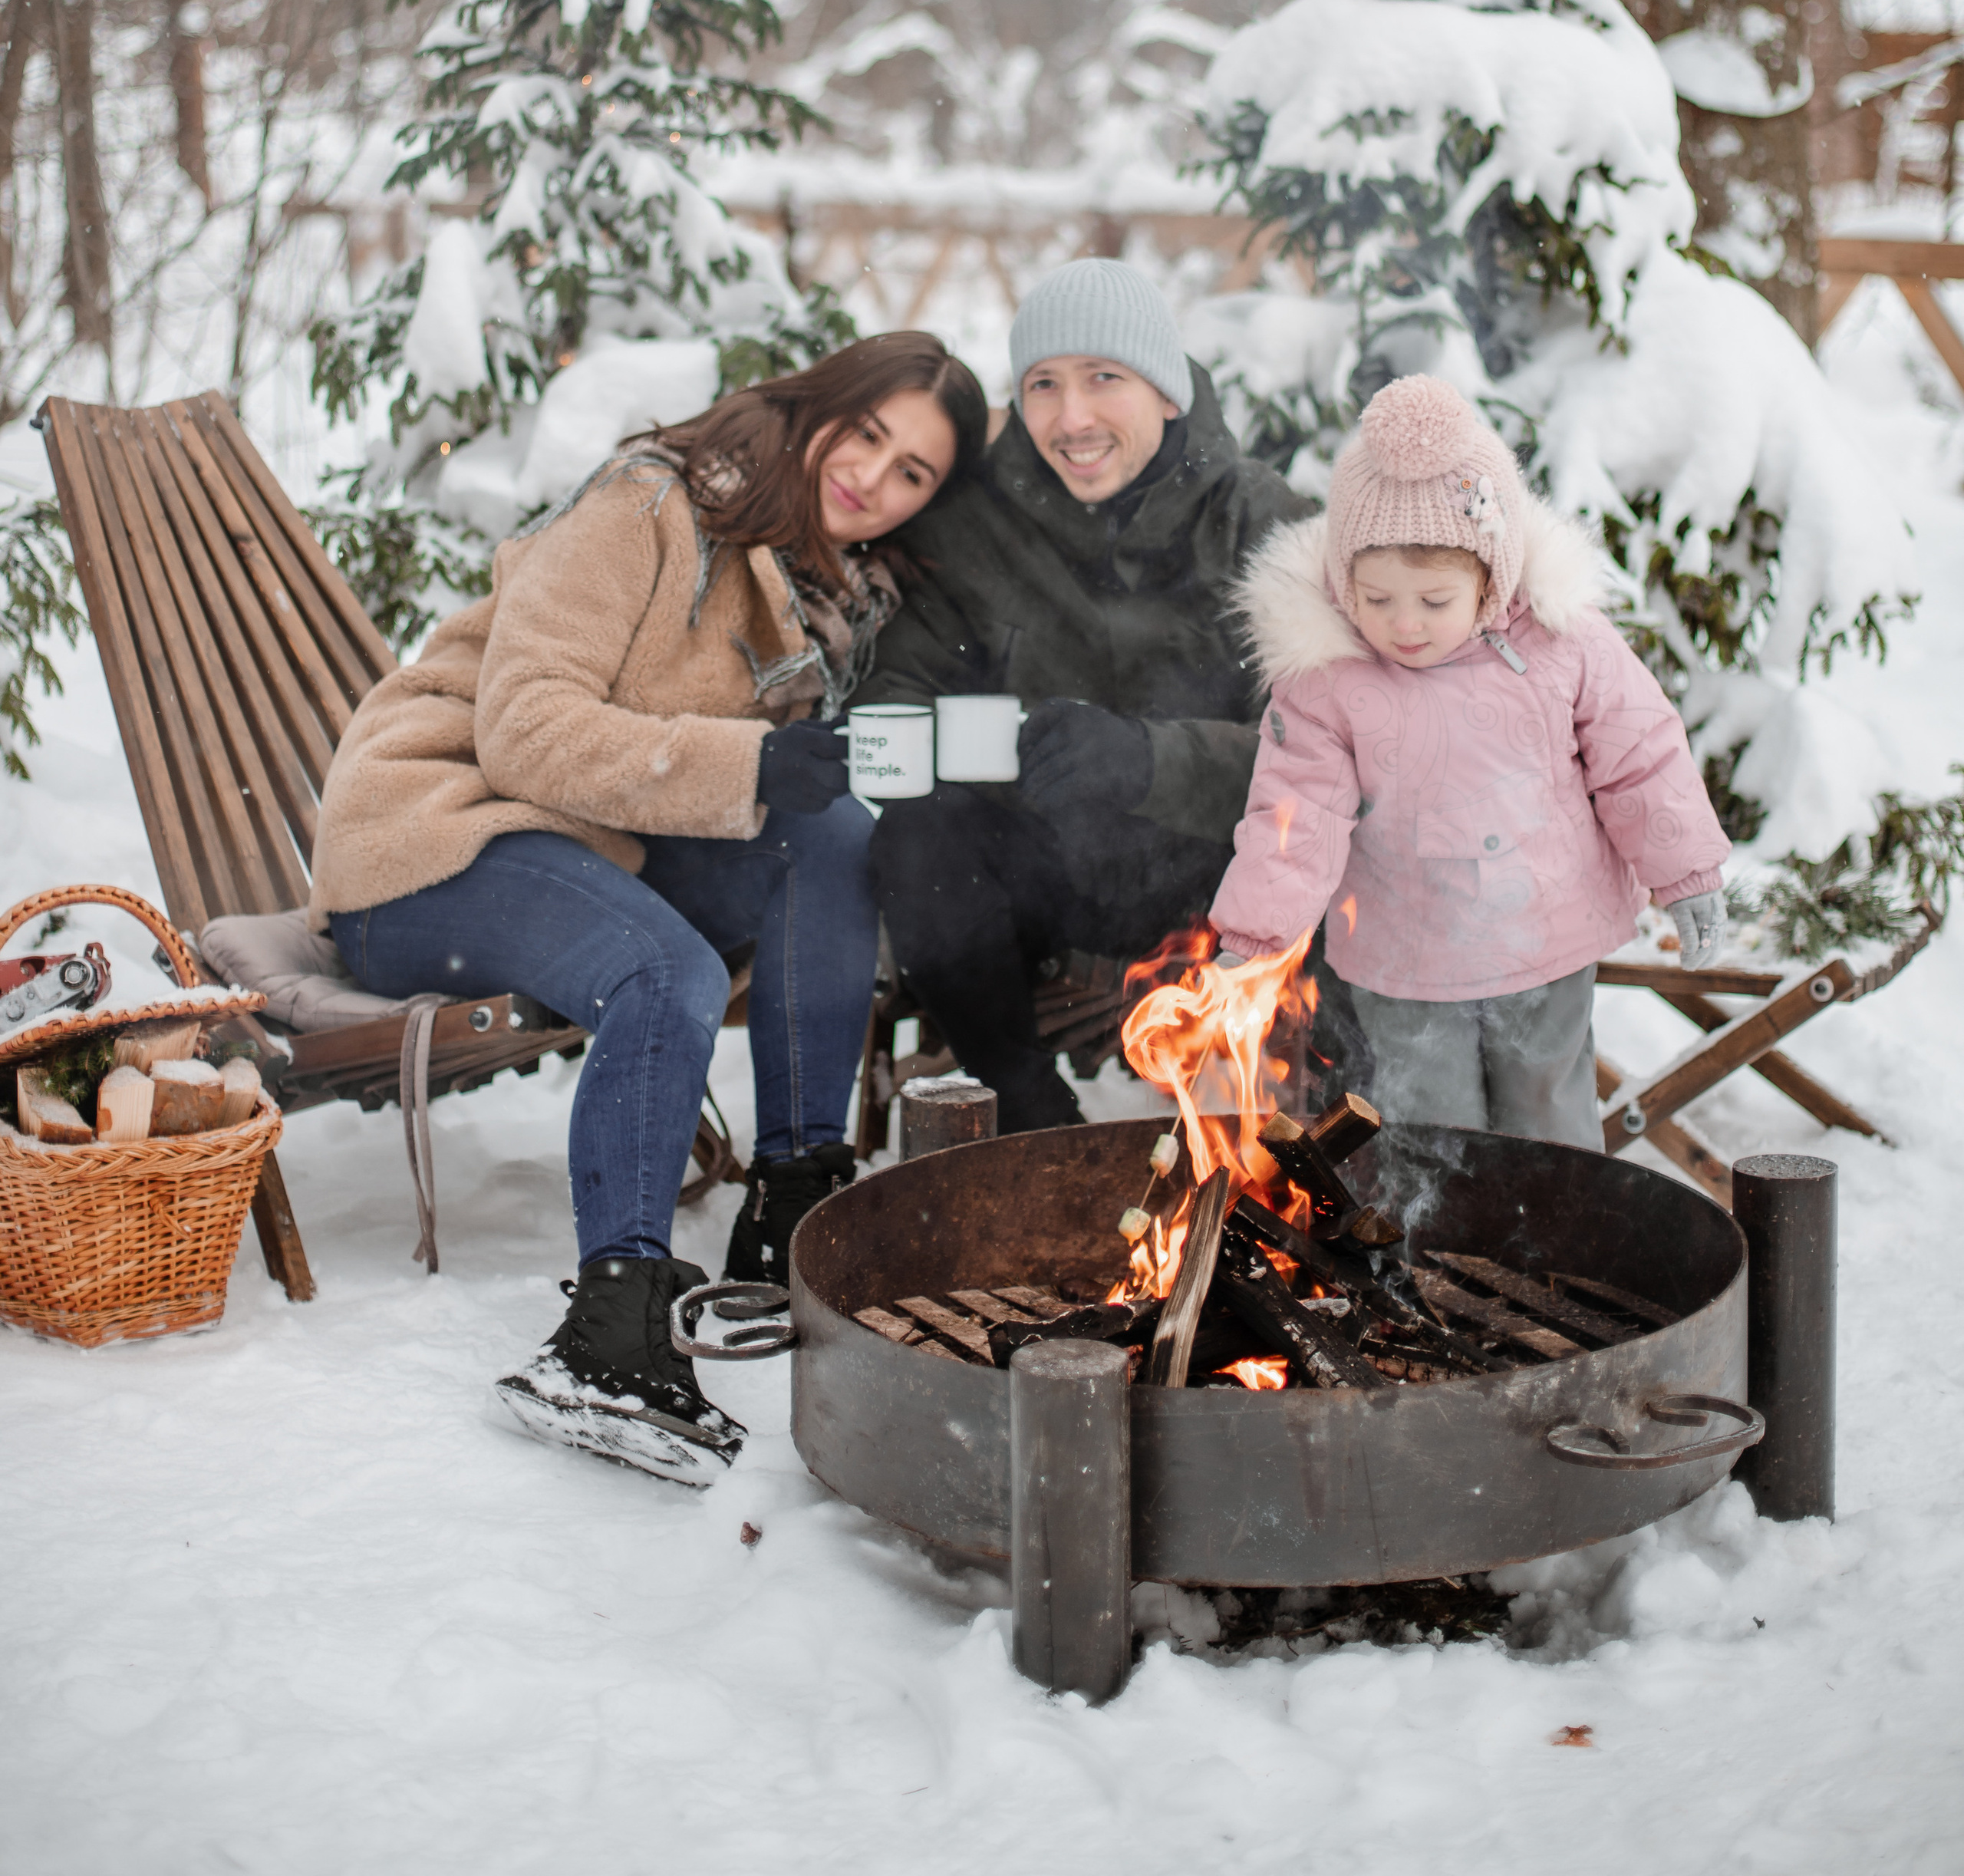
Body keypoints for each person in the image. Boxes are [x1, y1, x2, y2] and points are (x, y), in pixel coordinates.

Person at [310, 331, 987, 1482]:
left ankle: (791, 1215)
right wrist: (749, 763)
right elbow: (523, 730)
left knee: (831, 835)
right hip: (432, 844)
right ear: (818, 404)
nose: (872, 476)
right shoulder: (651, 504)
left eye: (911, 471)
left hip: (588, 855)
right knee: (664, 968)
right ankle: (609, 1333)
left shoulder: (830, 598)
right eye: (867, 433)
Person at [1208, 374, 1730, 1146]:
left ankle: (1562, 1224)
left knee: (1547, 1117)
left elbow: (1640, 754)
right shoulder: (1327, 679)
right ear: (1343, 581)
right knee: (1434, 1130)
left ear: (1492, 576)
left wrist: (1685, 871)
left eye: (1433, 601)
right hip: (1406, 955)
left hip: (1543, 936)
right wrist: (1255, 940)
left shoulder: (1561, 640)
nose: (1404, 625)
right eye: (1377, 599)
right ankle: (1449, 1226)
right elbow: (1296, 816)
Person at [862, 259, 1310, 1131]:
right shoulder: (970, 524)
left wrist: (1149, 760)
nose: (1071, 419)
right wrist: (1004, 746)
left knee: (1337, 837)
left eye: (1104, 378)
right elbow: (895, 697)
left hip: (1214, 881)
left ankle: (1315, 1125)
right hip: (1039, 877)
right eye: (1043, 384)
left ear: (1167, 393)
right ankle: (1029, 1115)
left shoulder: (1258, 520)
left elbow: (1325, 744)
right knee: (916, 836)